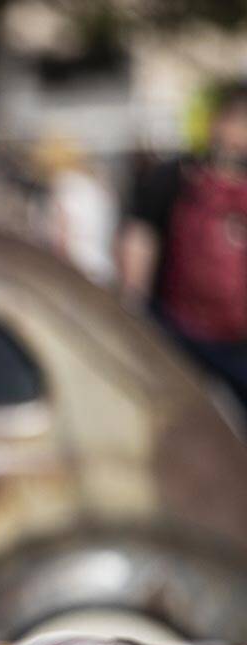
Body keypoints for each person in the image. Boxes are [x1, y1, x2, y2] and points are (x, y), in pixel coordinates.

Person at [117, 81, 247, 409]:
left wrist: (134, 312)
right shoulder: (177, 178)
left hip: (180, 331)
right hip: (202, 334)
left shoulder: (175, 176)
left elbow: (138, 246)